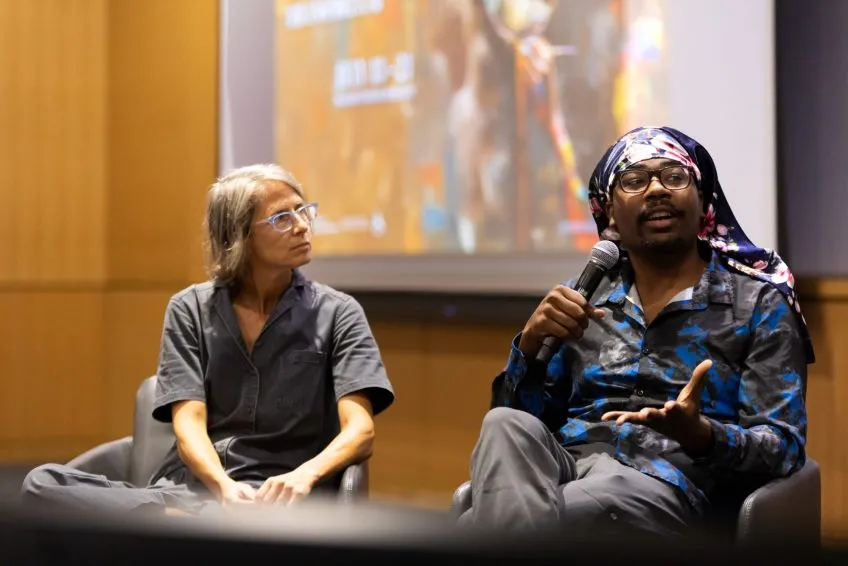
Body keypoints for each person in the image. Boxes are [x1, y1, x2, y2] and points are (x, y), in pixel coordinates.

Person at [458, 126, 813, 537]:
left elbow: (784, 447)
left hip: (668, 480)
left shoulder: (758, 304)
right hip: (568, 464)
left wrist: (703, 436)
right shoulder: (583, 298)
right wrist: (531, 346)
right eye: (635, 181)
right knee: (504, 424)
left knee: (478, 526)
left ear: (703, 203)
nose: (657, 190)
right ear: (609, 211)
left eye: (675, 177)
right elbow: (529, 422)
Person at [21, 164, 395, 515]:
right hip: (191, 493)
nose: (302, 226)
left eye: (303, 211)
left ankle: (177, 528)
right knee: (41, 482)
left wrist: (305, 475)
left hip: (273, 500)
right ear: (239, 235)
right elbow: (189, 424)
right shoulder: (189, 309)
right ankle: (175, 521)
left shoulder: (339, 312)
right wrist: (222, 487)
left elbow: (361, 431)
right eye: (283, 218)